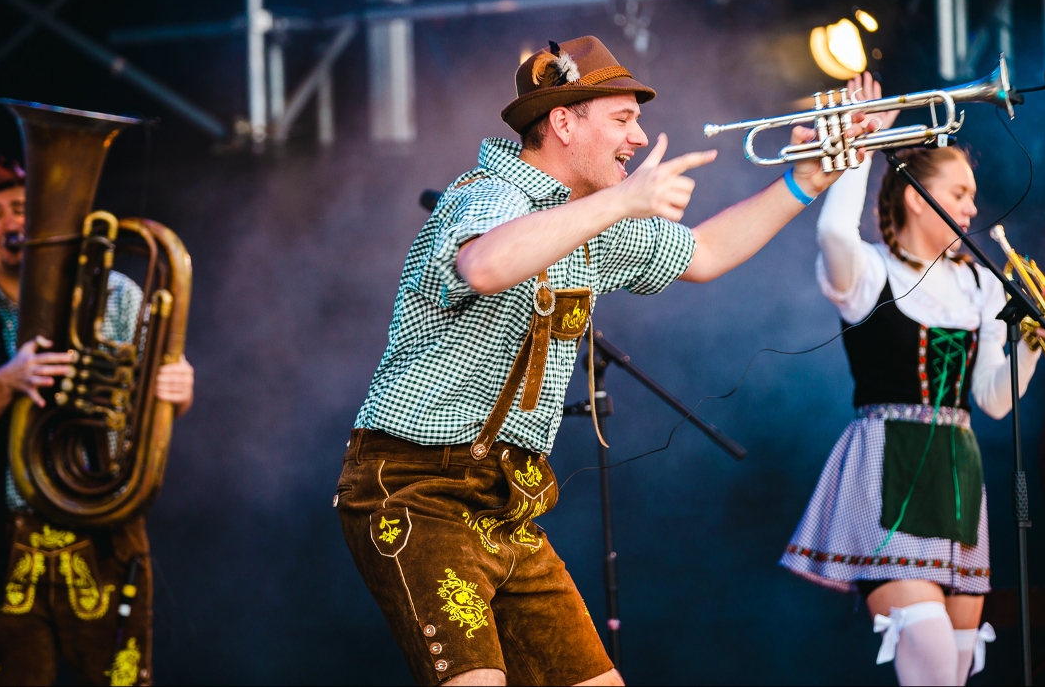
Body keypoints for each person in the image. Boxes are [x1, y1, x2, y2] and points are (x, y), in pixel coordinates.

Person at [337, 36, 872, 686]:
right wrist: (620, 202)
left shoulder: (593, 218)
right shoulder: (489, 194)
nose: (641, 136)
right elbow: (483, 264)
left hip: (505, 501)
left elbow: (702, 252)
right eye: (623, 119)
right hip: (417, 491)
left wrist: (811, 176)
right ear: (564, 121)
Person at [780, 73, 1043, 686]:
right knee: (928, 661)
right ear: (917, 199)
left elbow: (993, 404)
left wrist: (1030, 347)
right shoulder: (869, 273)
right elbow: (831, 232)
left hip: (958, 476)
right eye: (960, 193)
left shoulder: (980, 285)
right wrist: (858, 150)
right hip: (887, 468)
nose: (974, 208)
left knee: (952, 671)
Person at [0, 153, 196, 686]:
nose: (13, 222)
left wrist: (178, 386)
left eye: (25, 208)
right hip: (11, 537)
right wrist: (7, 381)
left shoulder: (116, 293)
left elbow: (159, 393)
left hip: (108, 529)